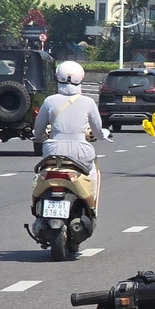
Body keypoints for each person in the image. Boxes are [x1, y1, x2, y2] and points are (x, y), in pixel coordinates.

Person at [33, 61, 106, 208]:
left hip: (52, 151)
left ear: (57, 77)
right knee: (92, 173)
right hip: (81, 152)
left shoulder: (49, 101)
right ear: (81, 78)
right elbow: (98, 131)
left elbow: (38, 131)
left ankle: (37, 204)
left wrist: (40, 136)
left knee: (41, 175)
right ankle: (91, 208)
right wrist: (103, 135)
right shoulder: (88, 102)